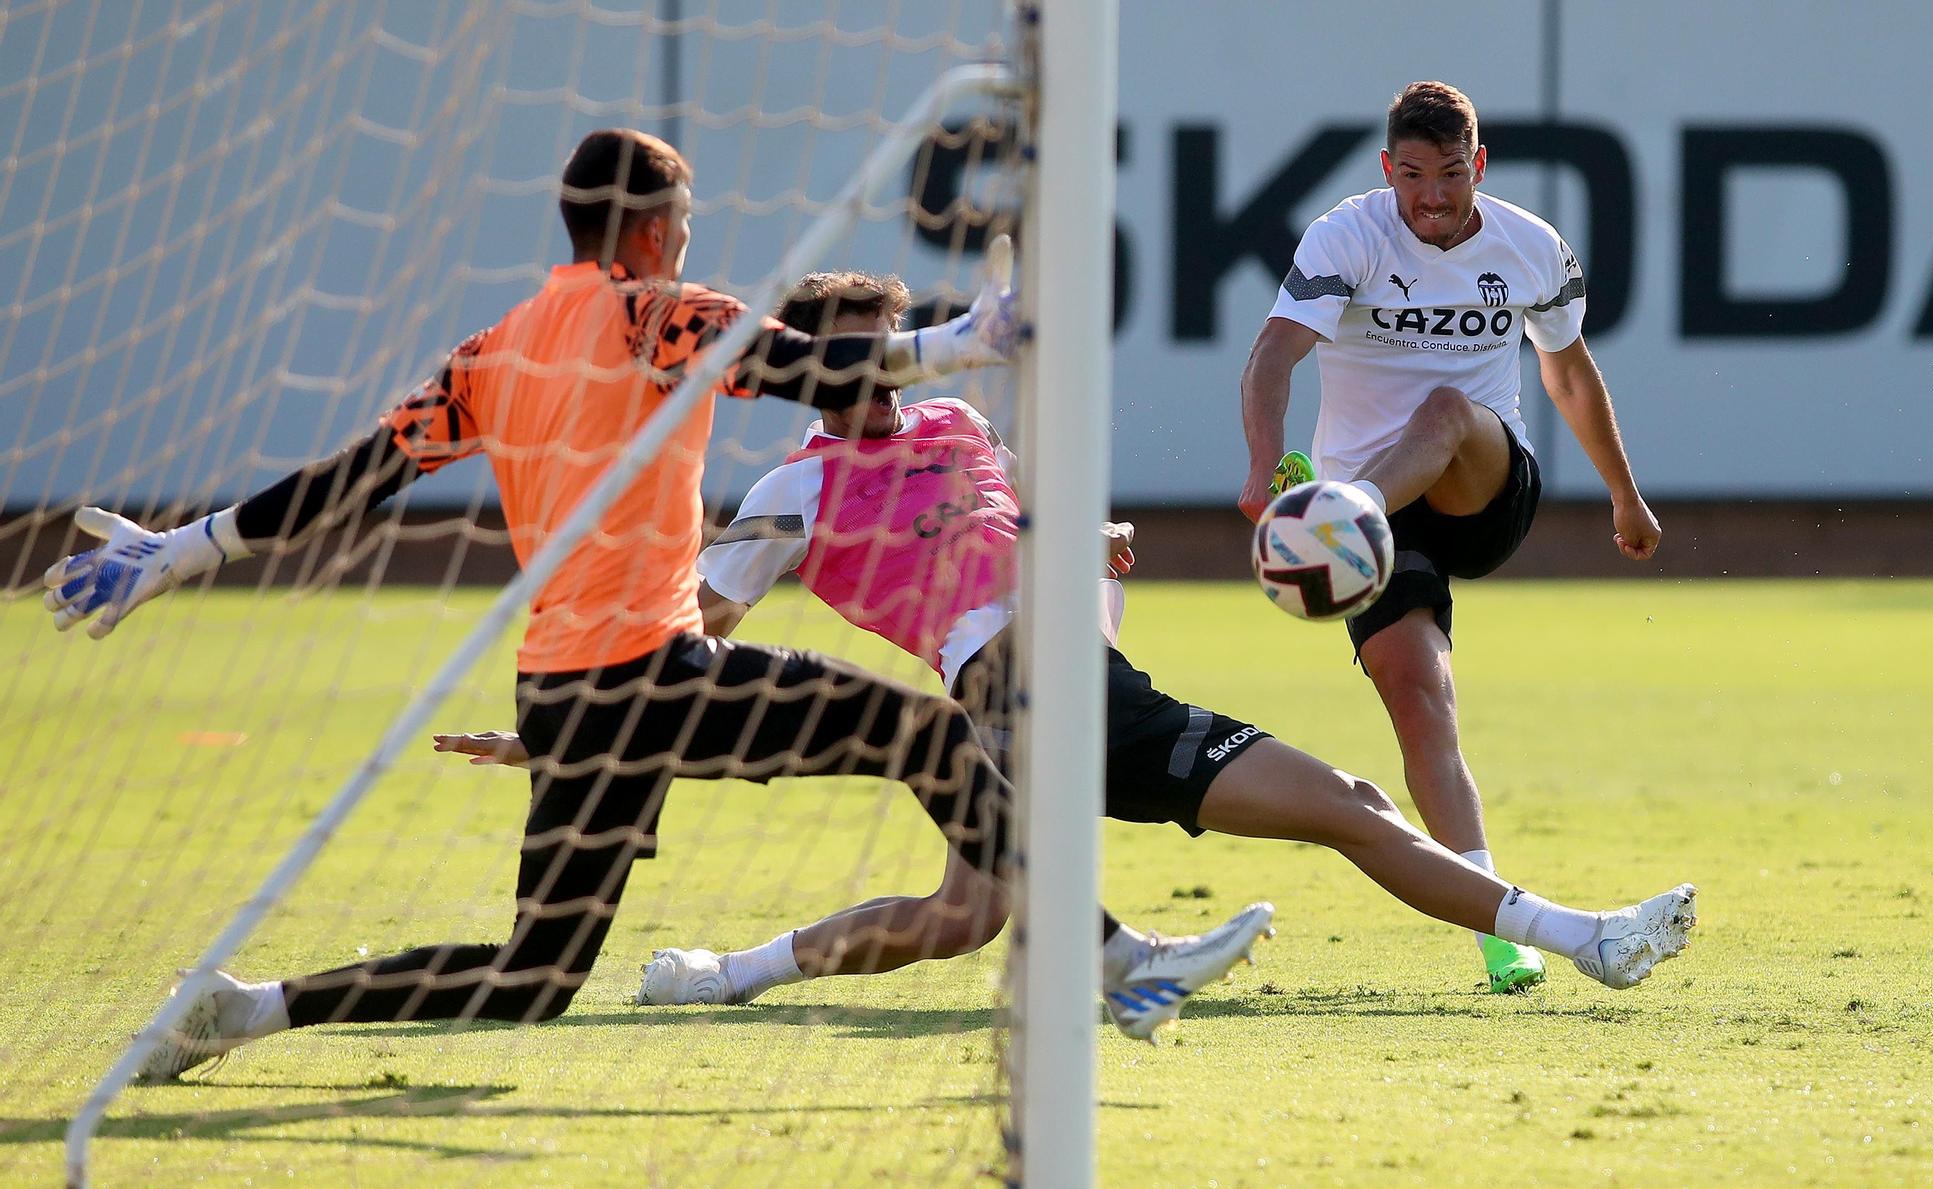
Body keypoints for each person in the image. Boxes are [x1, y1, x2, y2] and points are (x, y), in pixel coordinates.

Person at [39, 129, 1262, 1081]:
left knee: (533, 974)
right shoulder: (651, 312)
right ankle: (1119, 965)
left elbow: (350, 479)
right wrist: (955, 340)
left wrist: (181, 549)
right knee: (929, 736)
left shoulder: (493, 350)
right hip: (655, 674)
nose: (686, 243)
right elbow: (801, 367)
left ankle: (248, 1008)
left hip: (564, 693)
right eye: (680, 225)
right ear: (645, 228)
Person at [438, 270, 1695, 1013]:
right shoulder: (792, 494)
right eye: (851, 367)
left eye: (881, 361)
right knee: (977, 912)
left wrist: (1082, 546)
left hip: (1092, 687)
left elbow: (1023, 530)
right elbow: (686, 635)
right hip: (994, 708)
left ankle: (725, 973)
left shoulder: (955, 423)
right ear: (814, 378)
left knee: (985, 906)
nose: (875, 384)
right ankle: (1126, 966)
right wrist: (569, 721)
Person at [1237, 81, 1665, 993]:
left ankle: (1345, 511)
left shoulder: (1531, 246)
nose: (1433, 196)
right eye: (1414, 176)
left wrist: (1625, 497)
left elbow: (1570, 377)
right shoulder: (1346, 235)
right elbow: (1272, 355)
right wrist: (1262, 466)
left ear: (1480, 166)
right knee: (1418, 698)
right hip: (1376, 529)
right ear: (1388, 169)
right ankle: (1497, 930)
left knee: (1444, 406)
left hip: (1479, 486)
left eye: (1451, 175)